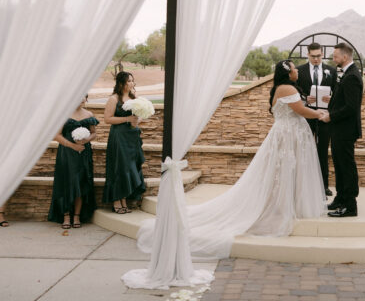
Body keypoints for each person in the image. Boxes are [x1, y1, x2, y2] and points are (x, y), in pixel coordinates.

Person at [137, 59, 327, 258]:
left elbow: (294, 107)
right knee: (284, 170)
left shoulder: (282, 87)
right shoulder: (287, 88)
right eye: (295, 69)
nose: (297, 71)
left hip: (286, 134)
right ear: (288, 73)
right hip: (288, 135)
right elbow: (300, 110)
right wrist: (320, 114)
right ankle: (279, 208)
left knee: (283, 171)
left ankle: (285, 204)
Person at [48, 96, 99, 229]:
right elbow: (56, 135)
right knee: (67, 182)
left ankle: (76, 216)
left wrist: (86, 140)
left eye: (84, 96)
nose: (81, 98)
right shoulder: (63, 113)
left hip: (84, 152)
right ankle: (66, 216)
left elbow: (94, 133)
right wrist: (72, 146)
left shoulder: (89, 114)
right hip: (67, 153)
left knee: (81, 182)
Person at [325, 43, 363, 218]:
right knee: (339, 166)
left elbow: (351, 107)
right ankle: (340, 198)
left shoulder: (353, 76)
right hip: (339, 130)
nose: (333, 59)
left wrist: (330, 116)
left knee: (346, 167)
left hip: (345, 131)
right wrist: (331, 102)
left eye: (335, 56)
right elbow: (344, 100)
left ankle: (350, 205)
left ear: (345, 57)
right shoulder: (346, 74)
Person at [103, 71, 146, 214]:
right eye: (129, 81)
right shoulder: (114, 99)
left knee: (130, 167)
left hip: (132, 137)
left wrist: (136, 121)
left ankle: (124, 199)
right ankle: (117, 199)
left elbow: (139, 116)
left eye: (133, 81)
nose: (132, 83)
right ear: (121, 83)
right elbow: (108, 119)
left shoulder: (135, 97)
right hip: (119, 137)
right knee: (119, 167)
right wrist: (126, 119)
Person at [297, 42, 336, 196]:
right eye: (313, 56)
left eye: (319, 56)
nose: (316, 59)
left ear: (322, 54)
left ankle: (324, 186)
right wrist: (305, 99)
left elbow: (337, 92)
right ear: (308, 55)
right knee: (304, 150)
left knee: (322, 151)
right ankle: (304, 185)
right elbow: (294, 92)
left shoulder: (331, 71)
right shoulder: (299, 71)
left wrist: (331, 99)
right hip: (306, 116)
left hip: (324, 117)